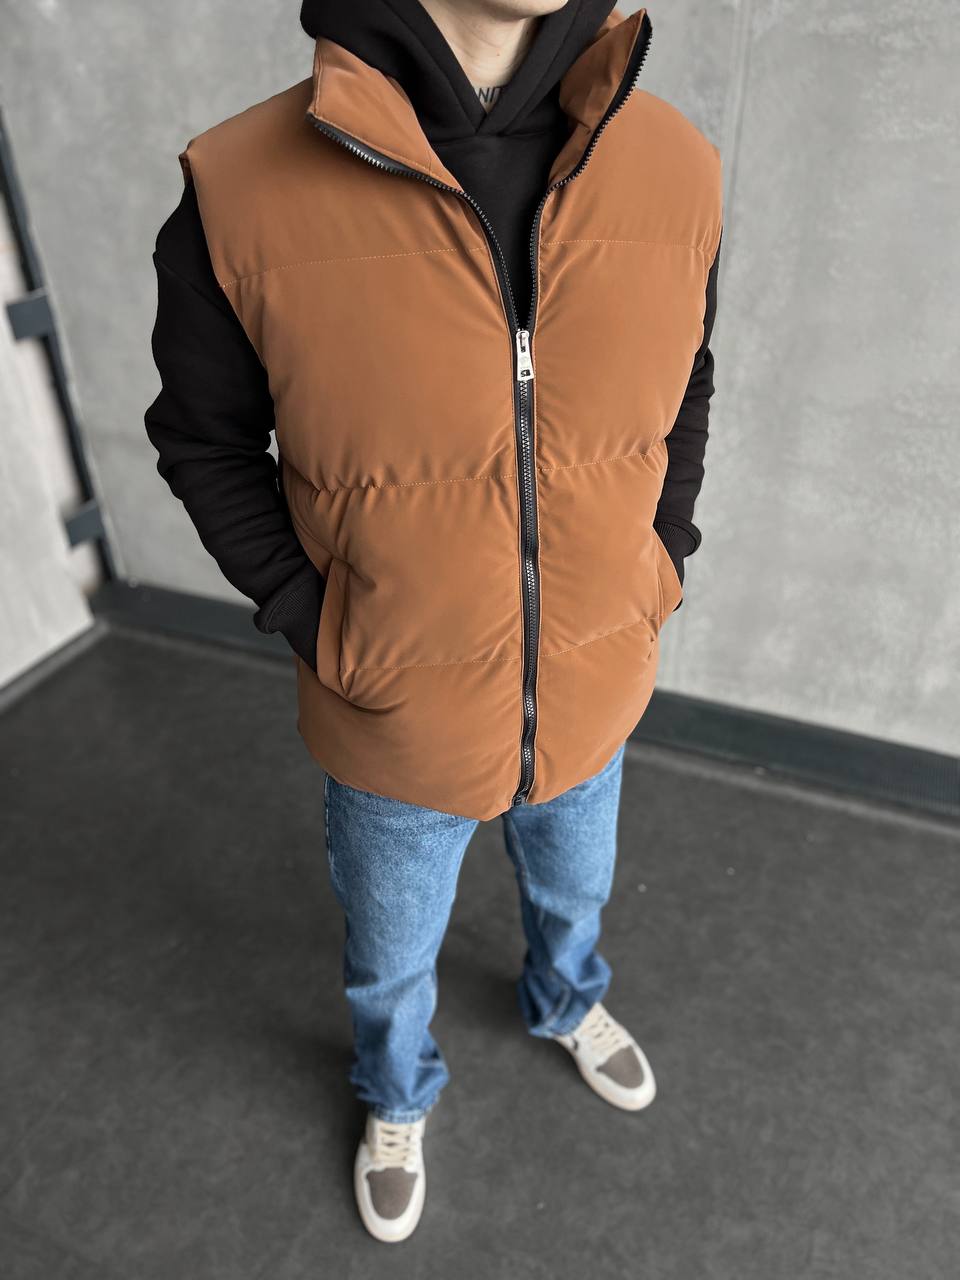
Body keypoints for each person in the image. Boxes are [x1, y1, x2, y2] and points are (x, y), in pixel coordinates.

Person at [145, 0, 722, 1244]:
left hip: (597, 678)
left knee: (577, 889)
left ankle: (565, 997)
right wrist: (322, 622)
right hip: (393, 714)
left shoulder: (675, 163)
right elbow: (203, 440)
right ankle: (396, 1089)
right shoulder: (242, 187)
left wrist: (657, 562)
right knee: (391, 950)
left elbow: (687, 384)